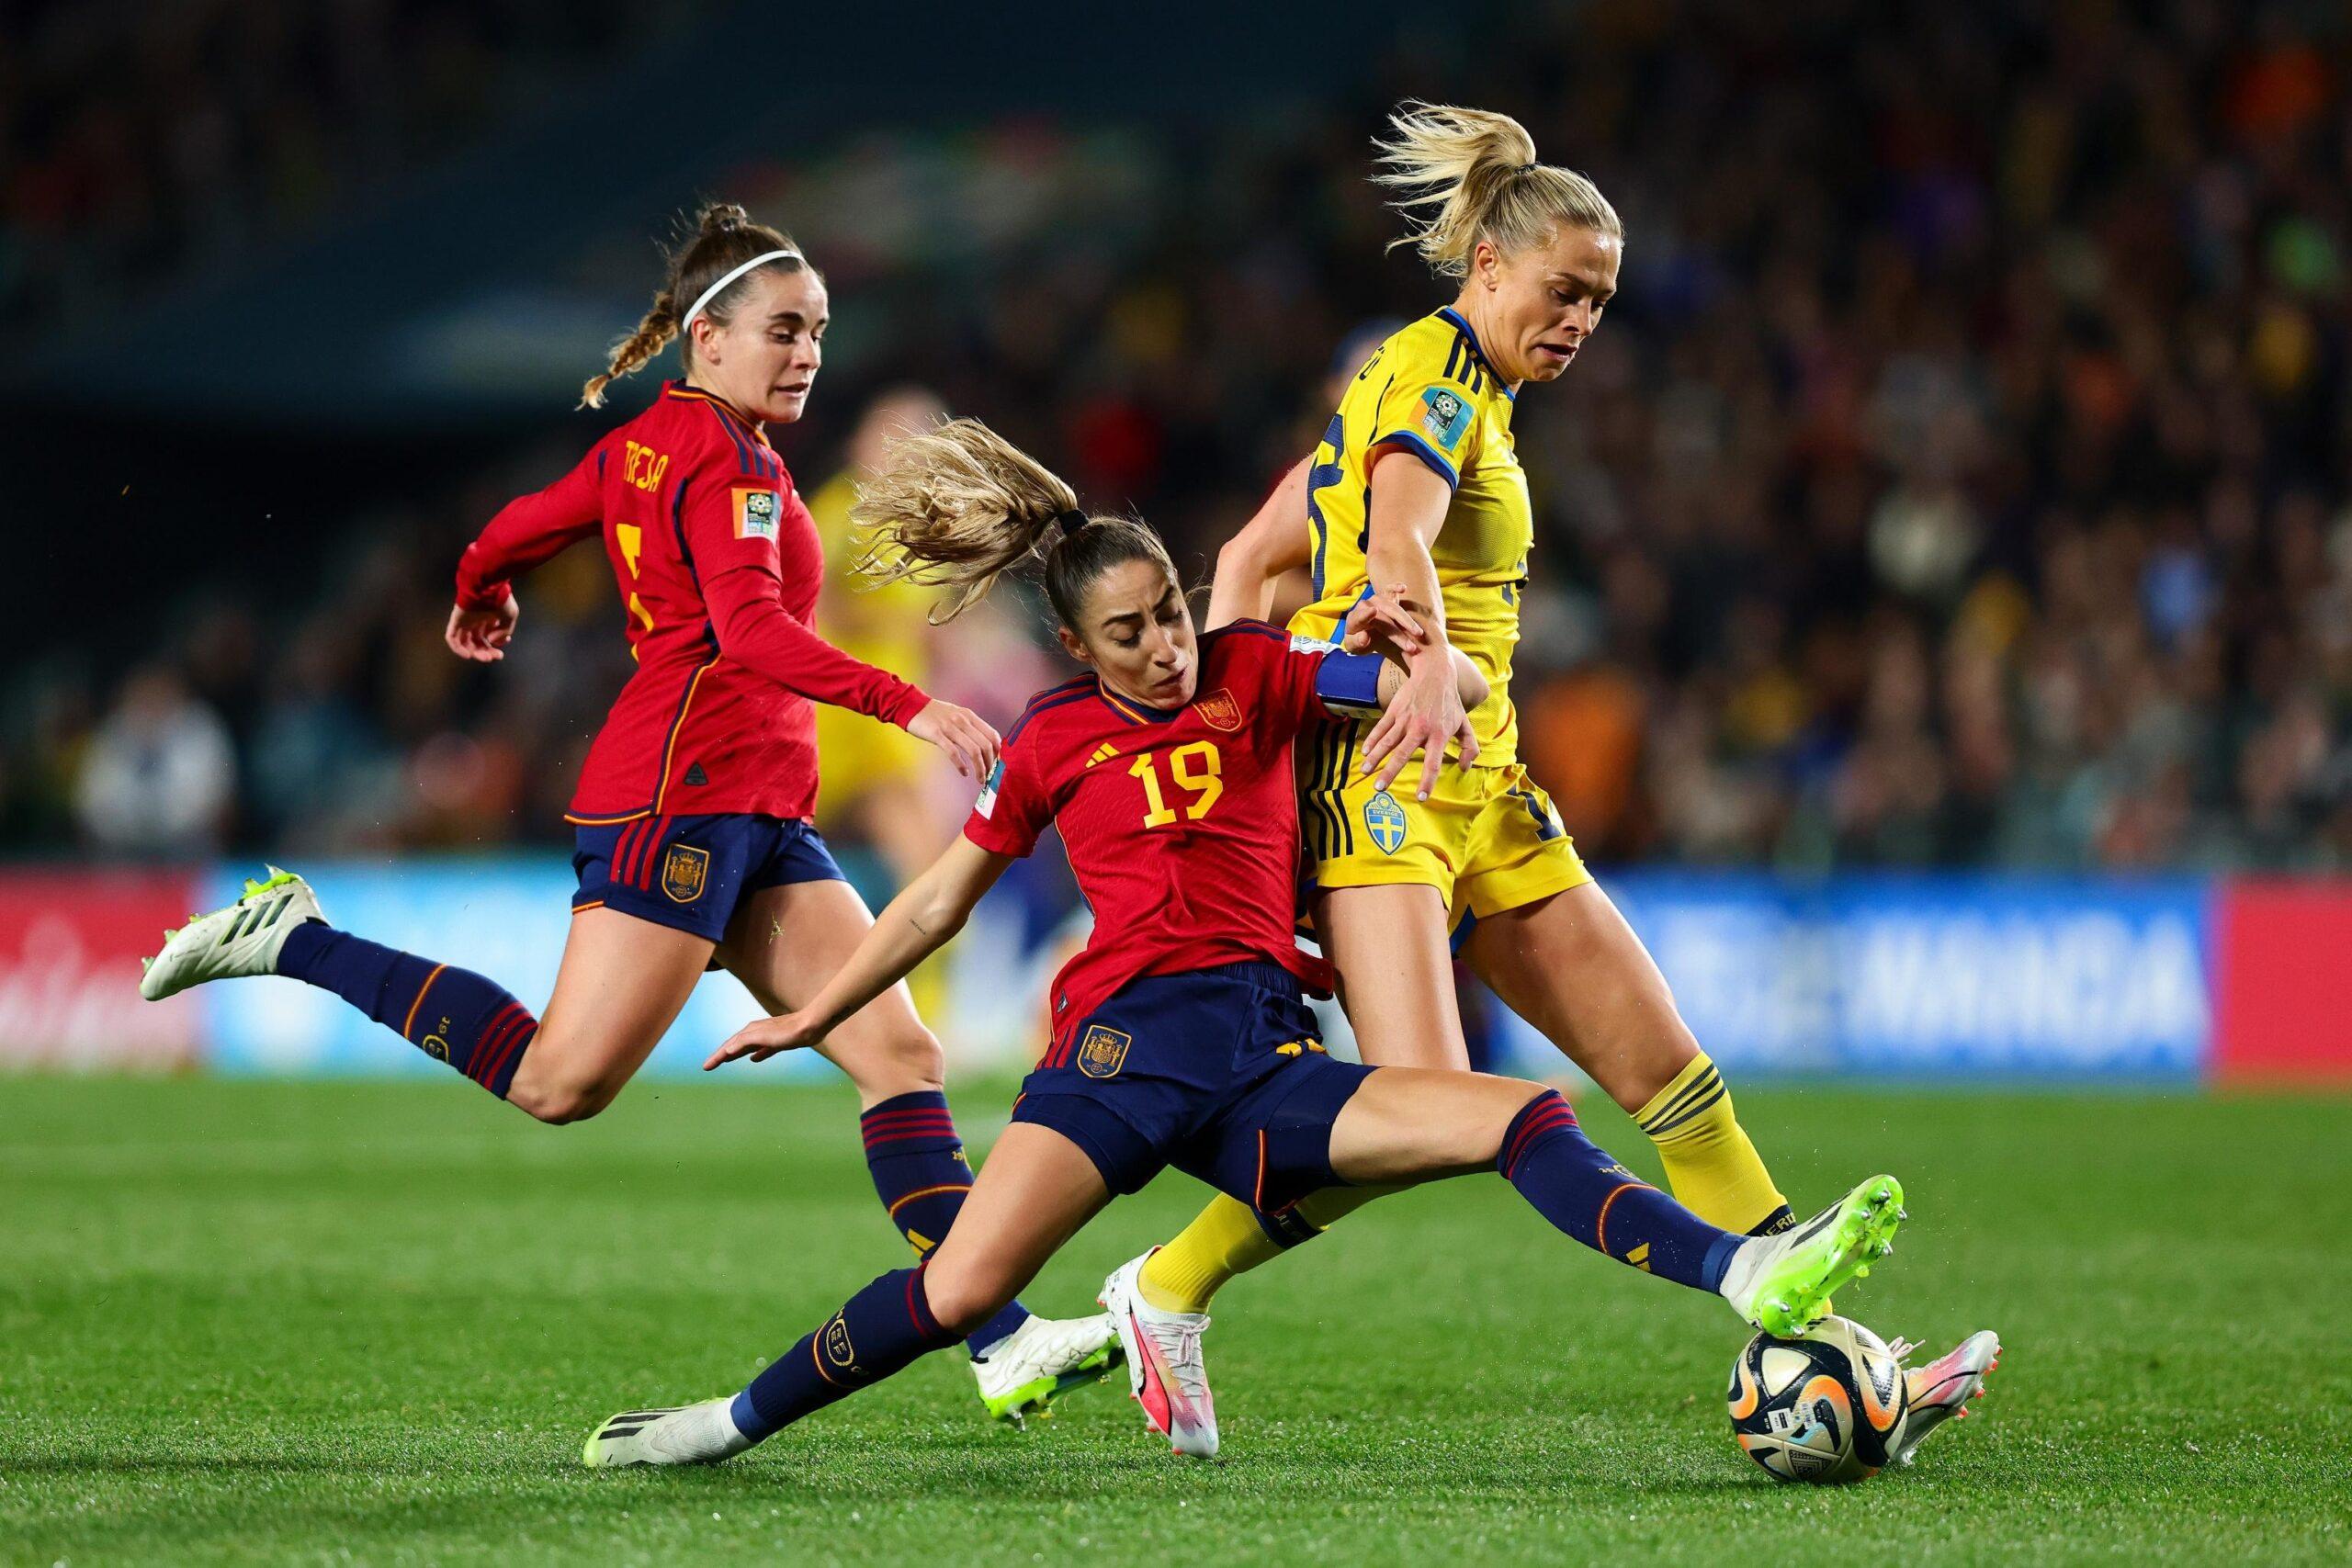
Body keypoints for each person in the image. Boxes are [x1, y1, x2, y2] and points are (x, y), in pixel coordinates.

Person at [578, 418, 1906, 1469]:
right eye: (1130, 633)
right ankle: (719, 1426)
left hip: (1266, 1065)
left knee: (1517, 1117)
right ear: (1071, 645)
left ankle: (1744, 1270)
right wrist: (817, 1014)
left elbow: (1410, 682)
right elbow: (936, 903)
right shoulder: (1050, 740)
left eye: (1168, 610)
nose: (1165, 648)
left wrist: (1445, 672)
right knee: (958, 1289)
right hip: (1114, 1057)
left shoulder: (1257, 669)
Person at [136, 203, 1116, 1424]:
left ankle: (1001, 1337)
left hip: (754, 804)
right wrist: (909, 705)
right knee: (562, 1082)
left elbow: (515, 526)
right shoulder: (738, 469)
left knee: (895, 1052)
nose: (806, 351)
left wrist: (477, 590)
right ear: (705, 337)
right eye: (781, 330)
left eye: (817, 330)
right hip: (686, 803)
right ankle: (295, 935)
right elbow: (754, 632)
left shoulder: (646, 445)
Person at [1127, 105, 2001, 1461]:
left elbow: (1249, 562)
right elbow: (1402, 524)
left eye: (1599, 299)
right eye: (1562, 290)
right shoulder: (1426, 384)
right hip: (1385, 786)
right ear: (1486, 267)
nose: (1582, 318)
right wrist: (1403, 660)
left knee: (1670, 1077)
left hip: (1481, 784)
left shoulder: (1456, 393)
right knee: (1421, 1114)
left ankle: (1840, 1358)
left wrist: (1257, 688)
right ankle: (1166, 1285)